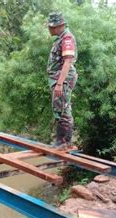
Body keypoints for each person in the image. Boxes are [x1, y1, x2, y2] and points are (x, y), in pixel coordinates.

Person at [46, 12, 78, 150]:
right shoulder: (61, 38)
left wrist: (60, 83)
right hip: (58, 78)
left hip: (62, 79)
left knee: (62, 109)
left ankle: (64, 142)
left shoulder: (66, 39)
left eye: (51, 27)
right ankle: (62, 141)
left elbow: (67, 62)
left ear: (59, 26)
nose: (49, 29)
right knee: (62, 107)